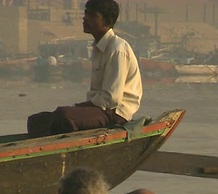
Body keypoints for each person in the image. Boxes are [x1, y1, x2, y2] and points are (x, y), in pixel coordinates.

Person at [27, 0, 142, 138]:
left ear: (107, 20)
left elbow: (112, 98)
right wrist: (82, 108)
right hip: (99, 109)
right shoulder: (97, 47)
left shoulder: (117, 49)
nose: (85, 19)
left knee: (64, 115)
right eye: (85, 14)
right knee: (36, 121)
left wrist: (82, 107)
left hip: (115, 113)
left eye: (92, 16)